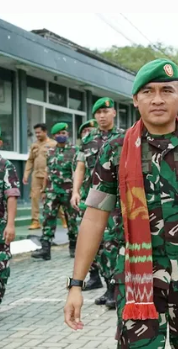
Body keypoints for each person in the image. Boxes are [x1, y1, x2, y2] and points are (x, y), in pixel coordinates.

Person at [64, 59, 178, 348]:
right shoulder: (114, 151)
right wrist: (76, 285)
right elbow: (93, 219)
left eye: (166, 90)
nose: (157, 99)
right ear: (136, 100)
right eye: (148, 92)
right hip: (138, 283)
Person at [71, 98, 125, 308]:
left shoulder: (124, 137)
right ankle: (108, 286)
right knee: (99, 247)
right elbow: (80, 167)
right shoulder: (88, 141)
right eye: (98, 113)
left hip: (115, 202)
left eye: (105, 111)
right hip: (92, 201)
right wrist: (75, 191)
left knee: (112, 244)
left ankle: (115, 288)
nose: (102, 116)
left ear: (114, 112)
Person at [31, 123, 78, 260]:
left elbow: (78, 172)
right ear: (54, 136)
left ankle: (74, 247)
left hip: (69, 191)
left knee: (72, 221)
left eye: (64, 133)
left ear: (67, 134)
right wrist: (44, 191)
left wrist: (77, 192)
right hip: (52, 191)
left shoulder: (74, 150)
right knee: (47, 219)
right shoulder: (50, 151)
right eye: (58, 134)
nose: (61, 136)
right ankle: (45, 249)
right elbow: (47, 172)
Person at [22, 123, 58, 230]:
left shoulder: (53, 144)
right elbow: (30, 160)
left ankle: (64, 219)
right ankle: (35, 221)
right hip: (36, 176)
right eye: (35, 133)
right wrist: (26, 174)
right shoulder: (34, 145)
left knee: (55, 197)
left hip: (50, 176)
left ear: (45, 131)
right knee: (34, 197)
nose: (37, 135)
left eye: (39, 132)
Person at [0, 127, 20, 306]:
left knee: (1, 266)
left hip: (1, 226)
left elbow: (11, 195)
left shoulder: (6, 166)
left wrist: (10, 224)